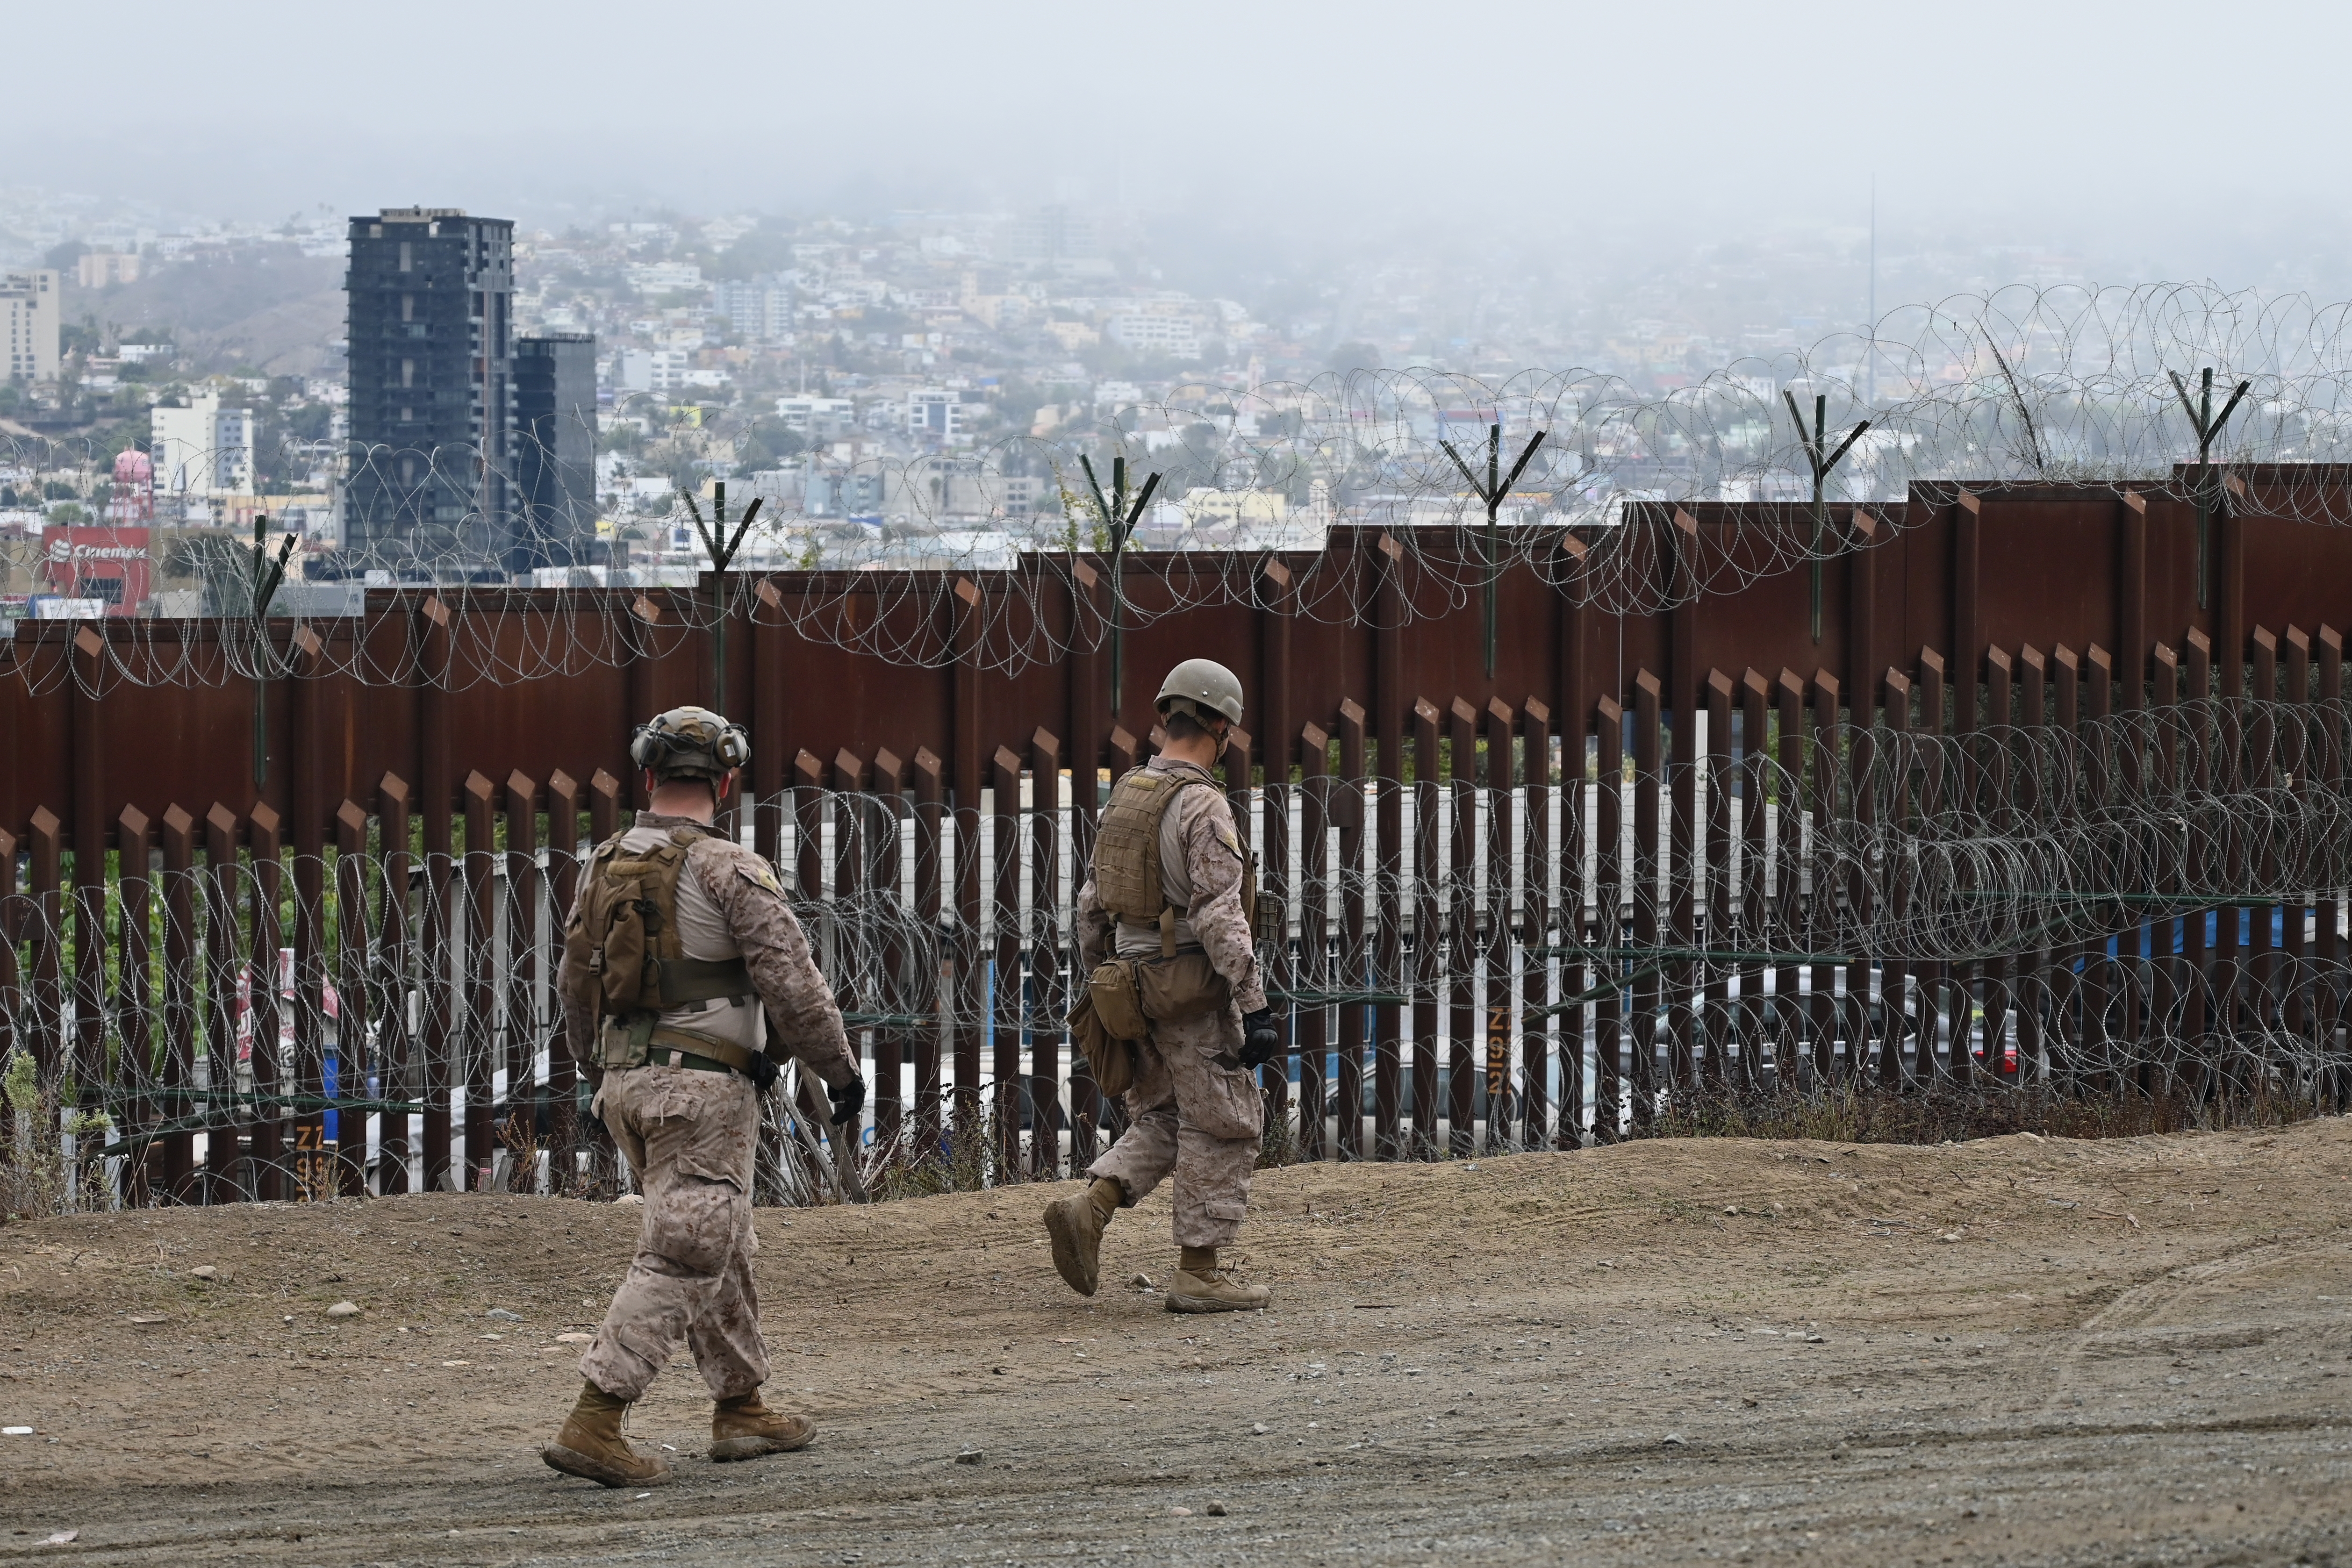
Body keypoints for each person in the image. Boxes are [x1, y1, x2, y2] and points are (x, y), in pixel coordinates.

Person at [542, 705, 866, 1489]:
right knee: (686, 1248)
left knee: (720, 1239)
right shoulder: (730, 868)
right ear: (725, 782)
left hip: (627, 1084)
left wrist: (597, 1073)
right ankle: (597, 1417)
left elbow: (574, 985)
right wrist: (839, 1069)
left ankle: (741, 1406)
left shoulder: (604, 862)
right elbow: (792, 982)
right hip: (702, 1090)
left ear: (649, 778)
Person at [1045, 659, 1284, 1312]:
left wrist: (1103, 982)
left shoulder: (1129, 792)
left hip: (1129, 985)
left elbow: (1092, 904)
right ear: (1219, 726)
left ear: (1167, 715)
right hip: (1189, 993)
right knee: (1227, 1123)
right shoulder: (1203, 804)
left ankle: (1090, 1207)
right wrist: (1254, 1003)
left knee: (1166, 1117)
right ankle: (1199, 1273)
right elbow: (1219, 912)